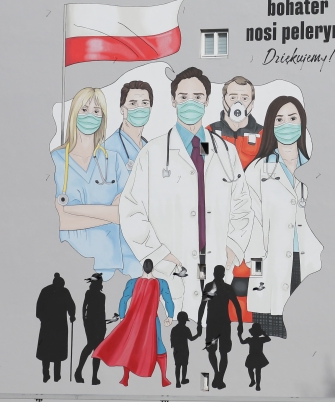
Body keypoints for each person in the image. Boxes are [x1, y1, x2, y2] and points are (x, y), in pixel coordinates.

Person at [119, 67, 253, 320]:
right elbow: (131, 209)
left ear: (207, 101)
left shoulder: (224, 153)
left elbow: (242, 205)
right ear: (173, 101)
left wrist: (233, 247)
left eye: (197, 97)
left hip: (215, 264)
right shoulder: (153, 153)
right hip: (172, 265)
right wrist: (159, 254)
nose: (190, 103)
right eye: (183, 97)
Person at [245, 96, 323, 339]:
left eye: (292, 118)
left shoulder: (315, 168)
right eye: (279, 119)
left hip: (309, 262)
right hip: (271, 266)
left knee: (307, 334)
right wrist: (257, 266)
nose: (286, 124)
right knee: (272, 338)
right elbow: (249, 220)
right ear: (270, 125)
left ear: (302, 123)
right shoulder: (258, 170)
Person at [52, 87, 132, 280]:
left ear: (103, 118)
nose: (91, 116)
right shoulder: (55, 160)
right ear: (74, 114)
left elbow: (127, 214)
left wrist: (72, 210)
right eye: (84, 110)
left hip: (108, 264)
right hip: (67, 261)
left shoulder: (113, 161)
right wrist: (110, 214)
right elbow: (58, 221)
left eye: (97, 111)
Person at [206, 76, 263, 325]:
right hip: (218, 219)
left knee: (246, 283)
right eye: (233, 97)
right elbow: (202, 169)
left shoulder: (263, 136)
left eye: (244, 98)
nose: (238, 102)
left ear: (251, 103)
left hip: (252, 223)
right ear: (224, 100)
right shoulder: (209, 134)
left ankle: (245, 328)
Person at [93, 258, 174, 387]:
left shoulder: (133, 282)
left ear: (143, 268)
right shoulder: (161, 283)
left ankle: (127, 377)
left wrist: (122, 316)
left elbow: (124, 299)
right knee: (156, 345)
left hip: (136, 319)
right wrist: (170, 316)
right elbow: (168, 300)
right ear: (152, 268)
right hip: (149, 319)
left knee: (131, 345)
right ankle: (162, 378)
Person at [196, 265, 243, 389]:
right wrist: (240, 325)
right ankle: (219, 376)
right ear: (222, 274)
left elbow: (202, 306)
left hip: (214, 324)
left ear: (214, 273)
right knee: (221, 352)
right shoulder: (225, 288)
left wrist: (199, 324)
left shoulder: (214, 287)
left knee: (217, 351)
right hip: (221, 324)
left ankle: (218, 375)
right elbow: (237, 307)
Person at [104, 80, 153, 172]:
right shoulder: (108, 148)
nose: (139, 108)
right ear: (122, 109)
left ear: (150, 109)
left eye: (145, 103)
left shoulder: (148, 147)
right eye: (133, 103)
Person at [36, 273, 76, 382]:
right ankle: (50, 375)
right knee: (51, 352)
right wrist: (71, 315)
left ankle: (53, 376)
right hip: (53, 325)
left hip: (54, 325)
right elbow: (39, 308)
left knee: (53, 352)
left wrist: (72, 315)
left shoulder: (59, 291)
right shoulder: (53, 291)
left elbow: (70, 305)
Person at [74, 273, 106, 385]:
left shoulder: (103, 296)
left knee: (97, 350)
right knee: (91, 346)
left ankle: (94, 377)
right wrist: (85, 322)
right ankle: (78, 372)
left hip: (99, 325)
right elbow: (84, 308)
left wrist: (103, 328)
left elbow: (102, 313)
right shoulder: (89, 293)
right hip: (91, 324)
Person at [169, 311, 201, 388]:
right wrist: (198, 334)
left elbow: (172, 340)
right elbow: (191, 338)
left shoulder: (174, 329)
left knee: (177, 366)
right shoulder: (186, 329)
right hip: (184, 350)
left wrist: (174, 346)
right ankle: (183, 379)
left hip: (176, 350)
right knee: (184, 365)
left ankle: (178, 382)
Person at [239, 322, 270, 391]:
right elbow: (242, 342)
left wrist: (239, 336)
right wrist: (239, 336)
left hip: (257, 356)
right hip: (254, 356)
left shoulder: (258, 339)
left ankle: (257, 384)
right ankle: (253, 381)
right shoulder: (252, 339)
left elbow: (268, 339)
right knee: (252, 369)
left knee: (256, 370)